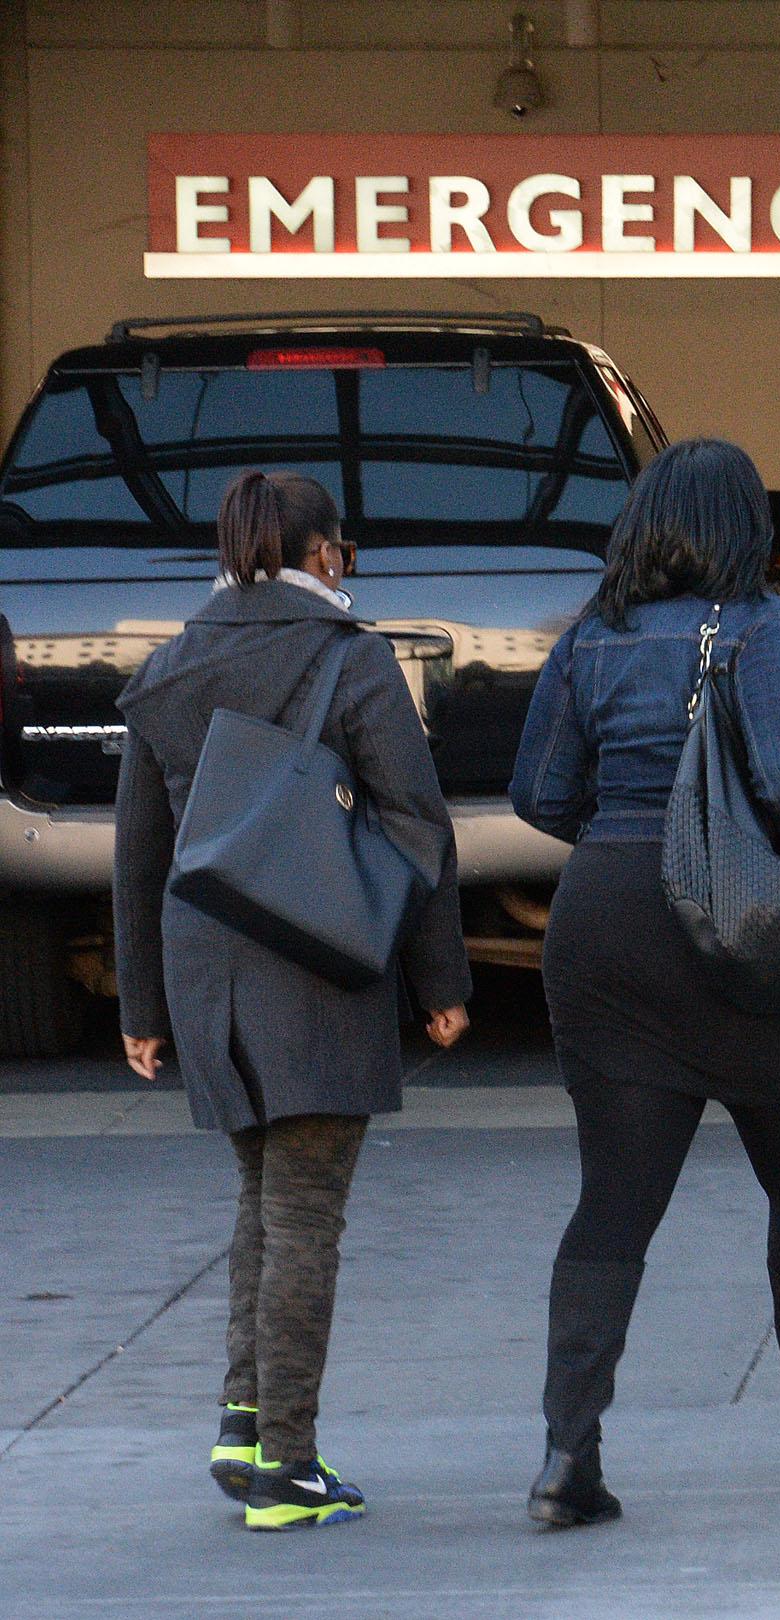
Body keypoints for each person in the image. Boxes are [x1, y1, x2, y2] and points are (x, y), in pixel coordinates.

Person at [510, 438, 780, 1529]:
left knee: (612, 1204)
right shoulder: (766, 625)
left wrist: (634, 828)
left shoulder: (590, 634)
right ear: (748, 530)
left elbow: (541, 795)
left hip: (609, 925)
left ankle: (565, 1459)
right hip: (744, 925)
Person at [113, 470, 471, 1530]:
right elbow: (420, 824)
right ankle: (291, 1466)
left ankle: (243, 1422)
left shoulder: (170, 666)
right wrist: (440, 984)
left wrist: (142, 1004)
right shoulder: (350, 661)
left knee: (263, 1198)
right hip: (315, 967)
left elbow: (140, 849)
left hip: (205, 969)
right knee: (305, 1208)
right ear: (323, 555)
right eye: (343, 552)